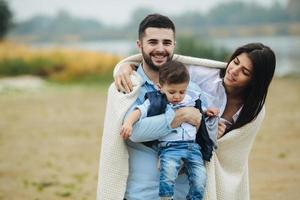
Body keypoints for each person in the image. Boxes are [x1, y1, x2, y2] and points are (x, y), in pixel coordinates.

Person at [97, 13, 276, 200]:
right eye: (152, 42)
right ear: (139, 45)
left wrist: (208, 127)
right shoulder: (128, 86)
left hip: (185, 193)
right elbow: (135, 132)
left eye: (166, 43)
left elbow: (208, 131)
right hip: (141, 194)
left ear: (174, 45)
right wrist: (182, 116)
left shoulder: (191, 87)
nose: (160, 49)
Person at [120, 60, 219, 200]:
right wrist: (129, 123)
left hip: (193, 148)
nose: (177, 96)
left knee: (200, 177)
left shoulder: (192, 97)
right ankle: (166, 197)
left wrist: (209, 111)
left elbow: (200, 112)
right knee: (168, 175)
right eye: (172, 92)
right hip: (170, 147)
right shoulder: (156, 100)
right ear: (160, 87)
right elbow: (139, 111)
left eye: (182, 92)